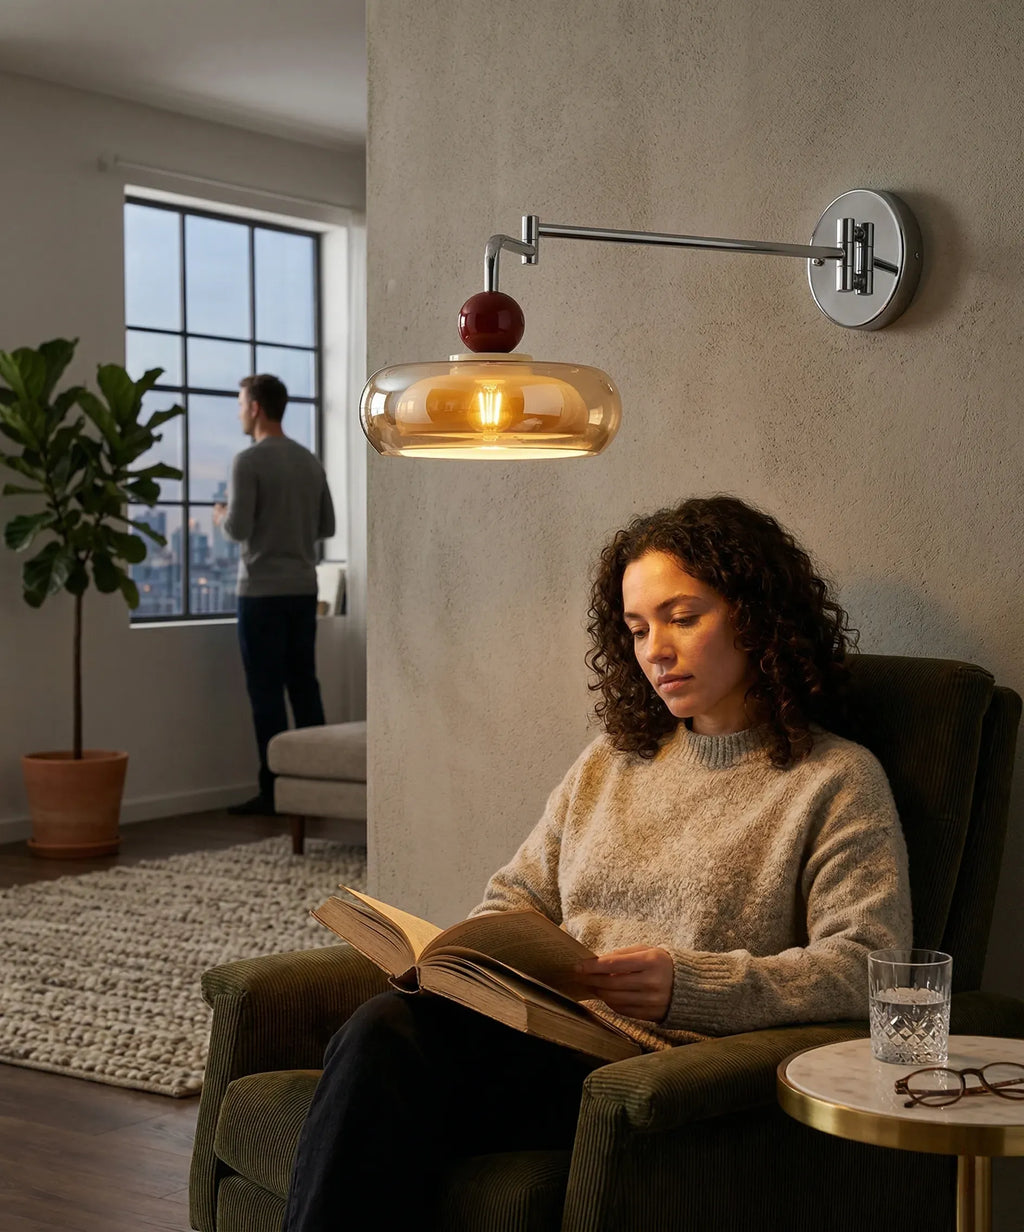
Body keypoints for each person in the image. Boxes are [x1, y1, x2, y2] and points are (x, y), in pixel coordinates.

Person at [281, 494, 912, 1230]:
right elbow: (515, 896)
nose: (656, 651)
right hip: (543, 1037)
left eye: (683, 618)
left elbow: (869, 966)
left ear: (756, 616)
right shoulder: (613, 761)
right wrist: (469, 963)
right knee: (383, 1033)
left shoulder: (835, 779)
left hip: (653, 1075)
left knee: (382, 1048)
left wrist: (688, 986)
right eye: (638, 629)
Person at [213, 374, 335, 816]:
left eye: (240, 405)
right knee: (304, 686)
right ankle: (318, 787)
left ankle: (274, 792)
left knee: (266, 694)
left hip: (261, 593)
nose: (238, 414)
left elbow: (238, 528)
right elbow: (327, 527)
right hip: (302, 589)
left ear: (256, 408)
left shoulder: (248, 461)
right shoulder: (309, 461)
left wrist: (220, 515)